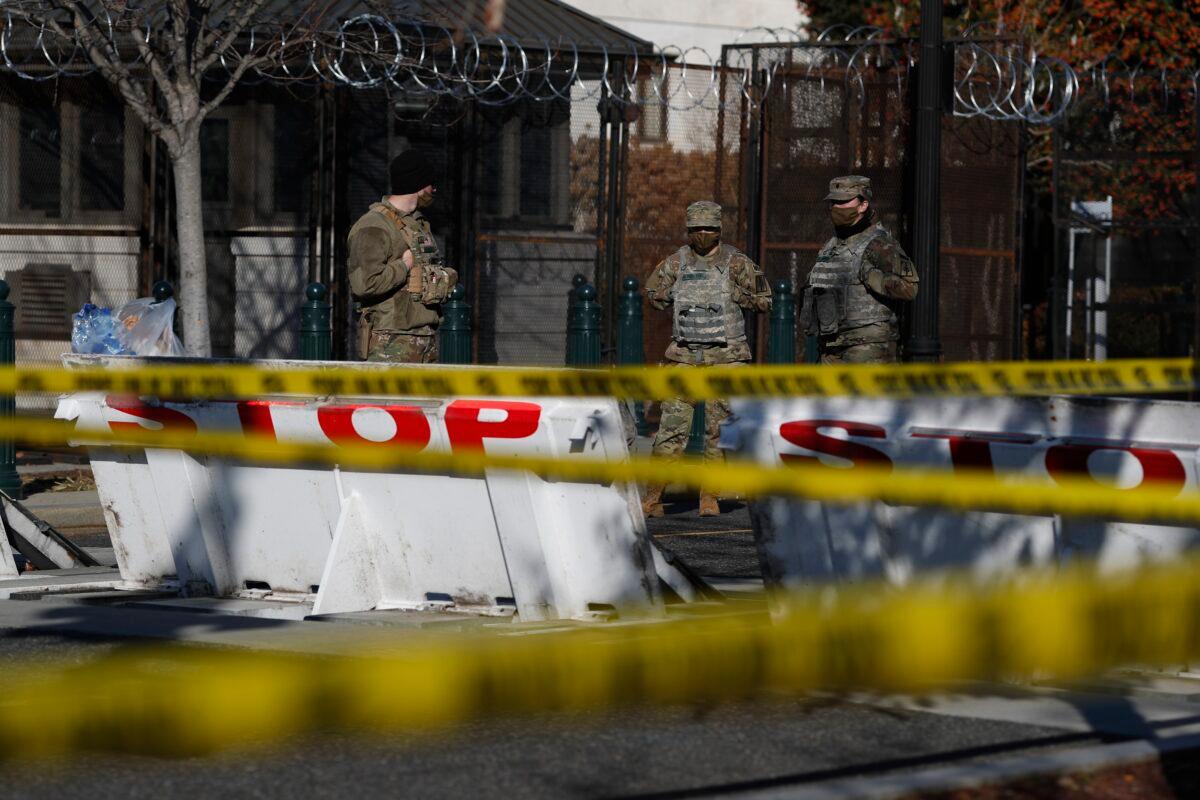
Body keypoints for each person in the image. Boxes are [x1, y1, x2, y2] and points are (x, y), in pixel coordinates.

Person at [641, 200, 772, 518]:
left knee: (717, 430)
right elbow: (652, 293)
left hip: (725, 357)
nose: (702, 234)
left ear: (718, 230)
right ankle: (654, 496)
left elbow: (764, 300)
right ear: (688, 230)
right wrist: (672, 296)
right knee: (671, 429)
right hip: (684, 356)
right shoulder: (676, 262)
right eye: (696, 229)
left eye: (708, 229)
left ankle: (709, 496)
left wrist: (734, 294)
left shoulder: (736, 262)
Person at [347, 151, 458, 363]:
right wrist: (404, 265)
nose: (434, 189)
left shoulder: (418, 225)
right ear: (417, 184)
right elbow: (365, 285)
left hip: (425, 339)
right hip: (391, 342)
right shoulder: (374, 225)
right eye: (430, 183)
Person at [799, 175, 918, 364]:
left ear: (863, 205)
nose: (837, 207)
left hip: (867, 348)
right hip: (831, 345)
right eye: (833, 202)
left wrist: (870, 275)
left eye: (844, 201)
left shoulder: (880, 243)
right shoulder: (831, 246)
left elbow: (910, 288)